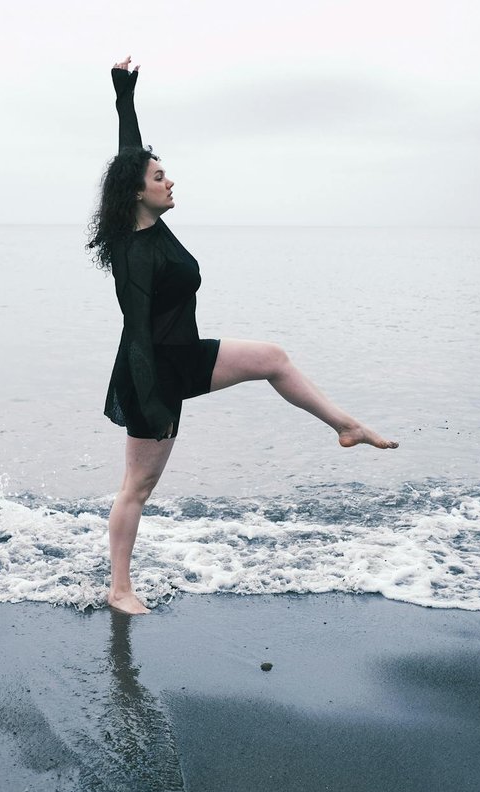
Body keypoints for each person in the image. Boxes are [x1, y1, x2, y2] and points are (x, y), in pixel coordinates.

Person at [87, 56, 399, 615]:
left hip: (182, 356)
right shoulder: (134, 253)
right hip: (150, 373)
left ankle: (346, 427)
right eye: (159, 177)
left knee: (274, 358)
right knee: (137, 487)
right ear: (139, 193)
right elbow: (135, 333)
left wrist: (124, 97)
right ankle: (119, 588)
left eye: (165, 172)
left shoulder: (148, 224)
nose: (169, 179)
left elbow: (128, 157)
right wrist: (154, 402)